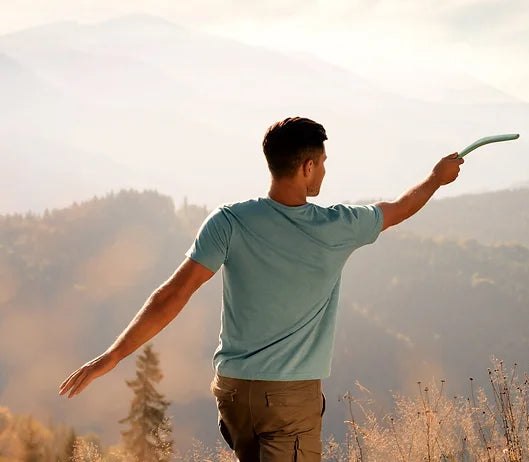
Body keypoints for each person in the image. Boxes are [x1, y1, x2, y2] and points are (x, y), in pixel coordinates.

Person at [59, 117, 464, 461]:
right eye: (322, 163)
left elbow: (172, 295)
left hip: (232, 394)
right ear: (307, 166)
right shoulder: (338, 226)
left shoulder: (228, 221)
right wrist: (436, 179)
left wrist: (112, 356)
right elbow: (399, 208)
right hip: (288, 400)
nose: (324, 170)